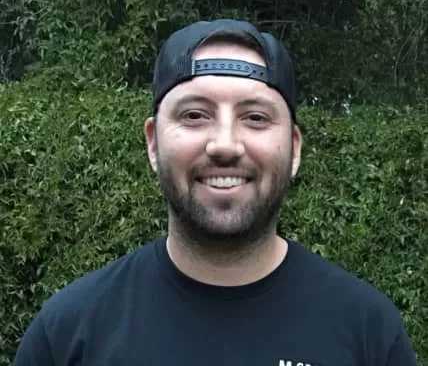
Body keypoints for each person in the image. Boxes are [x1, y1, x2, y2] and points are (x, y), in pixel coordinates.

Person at [14, 19, 418, 366]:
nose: (225, 144)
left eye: (255, 117)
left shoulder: (368, 332)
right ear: (153, 144)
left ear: (294, 149)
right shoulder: (66, 335)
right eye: (194, 115)